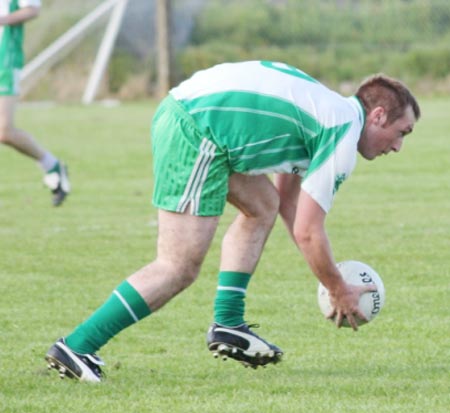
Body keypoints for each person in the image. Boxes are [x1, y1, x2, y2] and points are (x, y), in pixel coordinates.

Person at [46, 60, 420, 382]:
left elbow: (288, 204)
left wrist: (328, 274)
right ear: (378, 115)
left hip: (198, 119)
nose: (398, 146)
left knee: (262, 206)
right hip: (197, 129)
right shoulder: (341, 131)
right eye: (401, 133)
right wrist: (337, 287)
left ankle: (228, 324)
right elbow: (308, 230)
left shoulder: (328, 112)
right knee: (178, 267)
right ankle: (77, 345)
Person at [0, 0, 69, 206]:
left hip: (5, 60)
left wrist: (2, 20)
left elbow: (32, 10)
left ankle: (52, 165)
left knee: (3, 130)